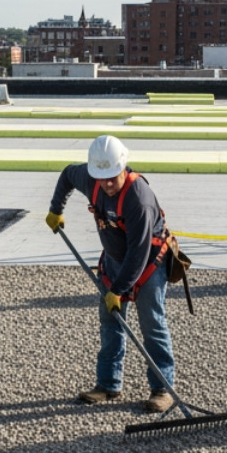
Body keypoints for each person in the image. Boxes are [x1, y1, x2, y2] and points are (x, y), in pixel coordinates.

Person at [45, 135, 177, 414]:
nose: (106, 183)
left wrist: (118, 290)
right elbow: (68, 174)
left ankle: (162, 389)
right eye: (101, 177)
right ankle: (108, 384)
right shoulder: (91, 178)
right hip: (114, 260)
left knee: (151, 324)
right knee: (110, 322)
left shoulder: (138, 198)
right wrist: (56, 209)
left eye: (112, 177)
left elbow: (138, 253)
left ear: (123, 167)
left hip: (149, 264)